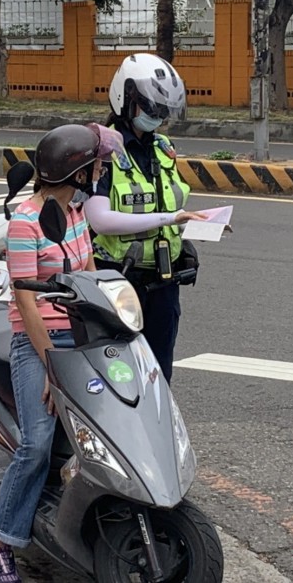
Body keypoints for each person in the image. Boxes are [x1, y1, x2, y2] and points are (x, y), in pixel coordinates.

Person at [0, 123, 110, 582]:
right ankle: (1, 542)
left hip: (82, 337)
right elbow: (25, 302)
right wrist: (53, 370)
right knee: (36, 444)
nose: (99, 171)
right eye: (94, 165)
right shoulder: (25, 223)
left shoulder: (75, 215)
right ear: (78, 172)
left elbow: (89, 275)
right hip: (38, 344)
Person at [84, 53, 207, 384]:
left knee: (158, 373)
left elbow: (167, 202)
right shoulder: (102, 150)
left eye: (163, 112)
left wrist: (190, 229)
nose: (158, 117)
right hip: (118, 280)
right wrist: (167, 218)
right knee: (118, 372)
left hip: (163, 281)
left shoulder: (163, 148)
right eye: (152, 109)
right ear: (127, 100)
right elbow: (100, 220)